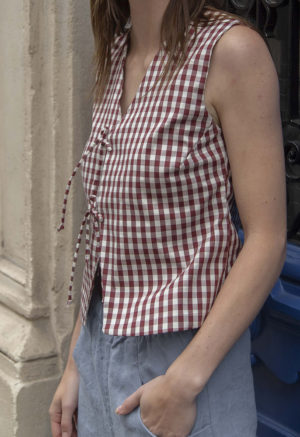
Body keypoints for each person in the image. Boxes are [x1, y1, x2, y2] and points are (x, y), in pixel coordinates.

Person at [49, 0, 286, 436]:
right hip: (100, 351)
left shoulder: (230, 51)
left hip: (182, 362)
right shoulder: (118, 51)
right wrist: (75, 362)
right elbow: (107, 232)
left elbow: (267, 238)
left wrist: (183, 382)